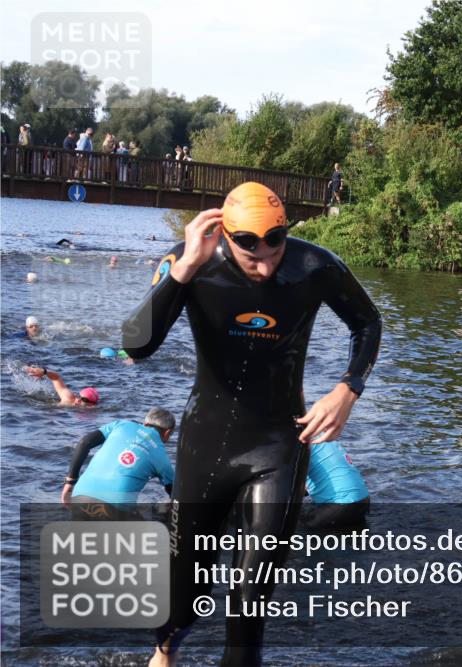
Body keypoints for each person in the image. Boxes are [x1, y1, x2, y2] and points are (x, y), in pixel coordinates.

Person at [121, 181, 382, 667]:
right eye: (250, 253)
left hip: (278, 446)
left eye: (275, 248)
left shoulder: (314, 266)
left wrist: (348, 388)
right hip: (205, 445)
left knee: (250, 599)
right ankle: (165, 652)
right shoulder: (190, 260)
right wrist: (184, 270)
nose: (265, 266)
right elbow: (135, 344)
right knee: (186, 590)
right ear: (227, 234)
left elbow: (368, 323)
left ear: (285, 233)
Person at [62, 407, 176, 521]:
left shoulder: (121, 424)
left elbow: (84, 443)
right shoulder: (162, 457)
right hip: (117, 508)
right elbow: (175, 493)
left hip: (80, 497)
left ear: (146, 422)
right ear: (167, 432)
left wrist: (70, 482)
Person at [303, 441, 370, 530]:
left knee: (295, 527)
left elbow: (294, 488)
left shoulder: (300, 443)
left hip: (341, 506)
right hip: (363, 501)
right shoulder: (325, 438)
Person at [24, 366, 99, 407]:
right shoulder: (69, 398)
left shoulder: (90, 410)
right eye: (79, 396)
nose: (78, 400)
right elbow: (56, 378)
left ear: (91, 404)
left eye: (84, 400)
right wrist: (44, 372)